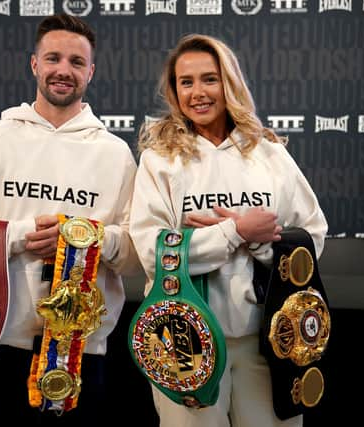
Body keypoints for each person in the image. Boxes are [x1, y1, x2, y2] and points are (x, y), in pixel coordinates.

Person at [0, 13, 140, 427]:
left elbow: (134, 256)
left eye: (77, 62)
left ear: (91, 72)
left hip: (80, 355)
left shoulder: (115, 155)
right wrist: (22, 235)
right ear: (34, 65)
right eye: (53, 58)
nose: (64, 70)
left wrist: (86, 239)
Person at [129, 34, 328, 427]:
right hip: (184, 343)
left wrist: (257, 238)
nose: (198, 93)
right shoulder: (159, 160)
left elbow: (312, 237)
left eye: (210, 79)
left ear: (230, 84)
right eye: (186, 82)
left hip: (267, 342)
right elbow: (153, 251)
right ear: (174, 91)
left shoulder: (269, 154)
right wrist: (234, 232)